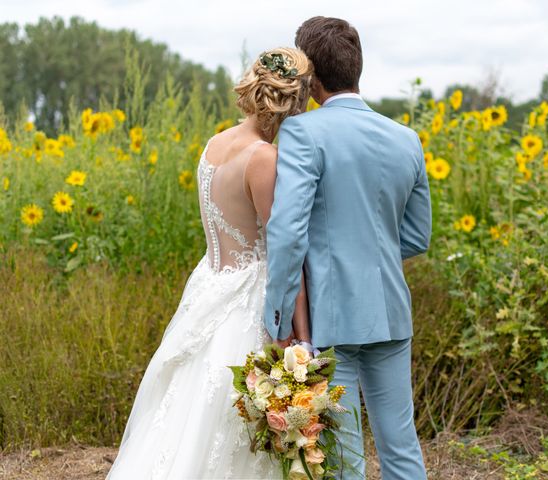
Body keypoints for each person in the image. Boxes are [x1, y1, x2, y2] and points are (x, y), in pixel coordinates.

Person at [106, 47, 313, 479]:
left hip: (210, 286)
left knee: (183, 410)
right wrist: (302, 340)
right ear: (294, 101)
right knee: (234, 419)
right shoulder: (264, 159)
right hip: (248, 299)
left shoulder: (216, 143)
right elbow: (282, 253)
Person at [264, 17, 431, 479]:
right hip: (391, 312)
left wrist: (278, 318)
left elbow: (288, 232)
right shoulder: (407, 139)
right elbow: (417, 237)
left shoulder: (303, 134)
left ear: (310, 76)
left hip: (329, 319)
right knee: (401, 447)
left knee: (343, 460)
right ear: (358, 67)